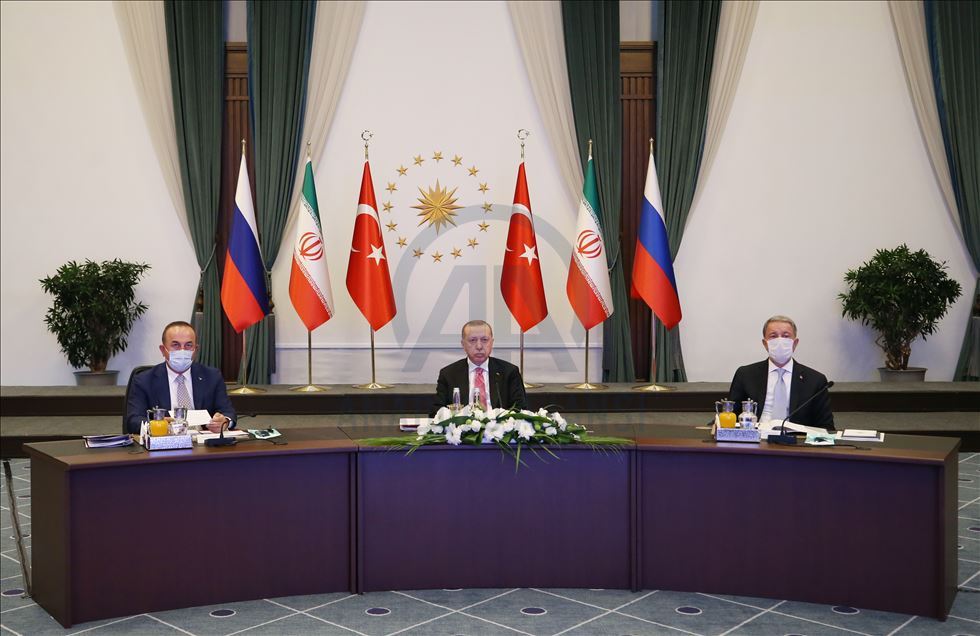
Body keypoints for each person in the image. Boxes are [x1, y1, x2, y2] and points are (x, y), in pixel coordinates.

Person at [125, 321, 237, 434]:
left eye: (188, 345)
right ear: (163, 350)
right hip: (164, 441)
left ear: (196, 349)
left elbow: (228, 413)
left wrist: (225, 422)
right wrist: (159, 425)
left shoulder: (212, 376)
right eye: (176, 345)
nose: (182, 350)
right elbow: (133, 421)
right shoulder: (144, 380)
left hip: (203, 441)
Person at [728, 315, 834, 430]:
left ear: (795, 343)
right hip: (756, 436)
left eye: (786, 336)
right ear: (765, 343)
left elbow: (826, 427)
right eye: (773, 336)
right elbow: (730, 415)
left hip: (795, 439)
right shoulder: (745, 375)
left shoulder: (815, 380)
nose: (780, 341)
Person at [430, 320, 527, 417]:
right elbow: (437, 412)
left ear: (492, 342)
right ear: (463, 344)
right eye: (472, 340)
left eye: (484, 340)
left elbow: (520, 409)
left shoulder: (509, 372)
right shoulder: (449, 374)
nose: (479, 346)